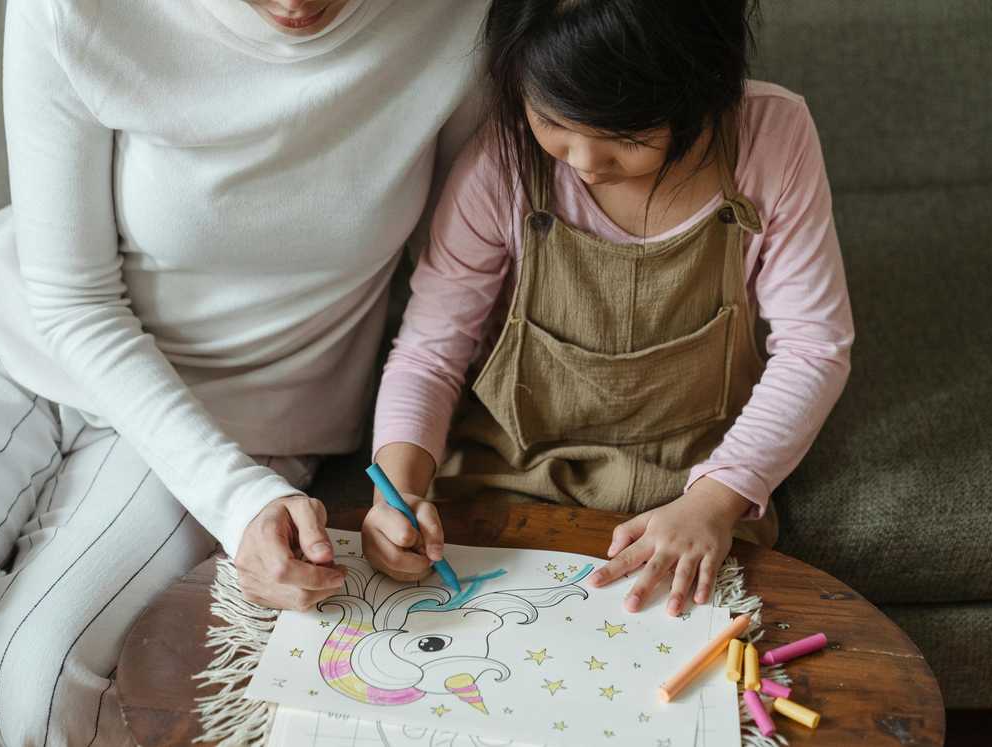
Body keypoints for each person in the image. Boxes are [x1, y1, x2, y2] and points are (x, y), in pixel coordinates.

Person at [0, 0, 490, 744]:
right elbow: (72, 297)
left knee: (39, 681)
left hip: (245, 409)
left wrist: (402, 470)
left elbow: (457, 279)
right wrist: (236, 503)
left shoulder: (462, 19)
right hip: (11, 327)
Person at [362, 0, 854, 621]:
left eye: (626, 137)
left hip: (694, 478)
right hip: (511, 468)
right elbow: (431, 352)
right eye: (553, 122)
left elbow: (815, 347)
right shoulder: (500, 161)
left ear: (700, 94)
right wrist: (400, 489)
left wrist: (715, 502)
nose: (586, 165)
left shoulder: (770, 137)